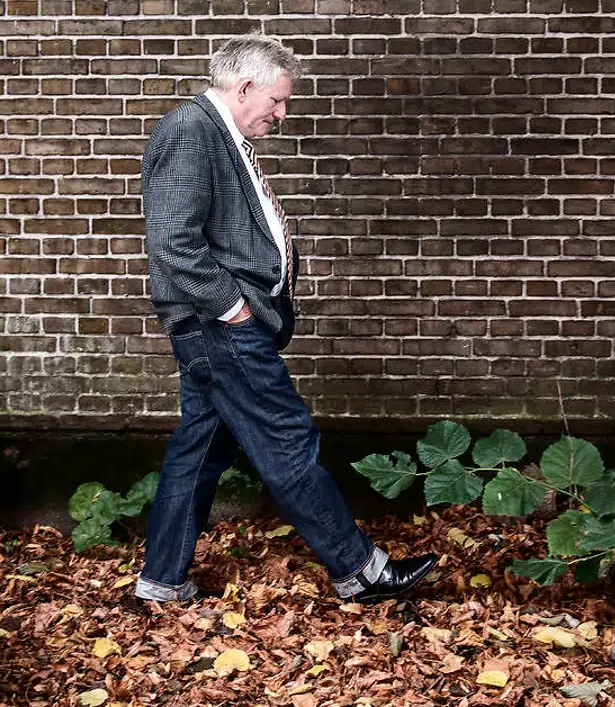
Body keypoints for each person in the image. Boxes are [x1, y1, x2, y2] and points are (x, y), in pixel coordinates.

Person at [135, 34, 437, 606]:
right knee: (287, 438)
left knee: (200, 449)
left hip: (221, 327)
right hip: (219, 327)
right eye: (277, 100)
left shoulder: (218, 134)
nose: (281, 112)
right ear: (244, 86)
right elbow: (172, 243)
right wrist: (234, 308)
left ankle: (162, 580)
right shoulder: (189, 131)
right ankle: (360, 571)